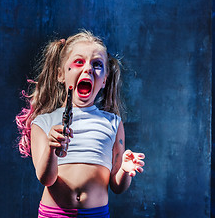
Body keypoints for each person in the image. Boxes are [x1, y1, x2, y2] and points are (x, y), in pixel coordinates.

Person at [15, 30, 145, 217]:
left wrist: (125, 170)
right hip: (54, 214)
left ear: (104, 81)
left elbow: (117, 187)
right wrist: (52, 148)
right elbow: (46, 179)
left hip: (96, 214)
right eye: (78, 62)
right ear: (61, 74)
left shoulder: (113, 124)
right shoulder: (43, 123)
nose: (88, 69)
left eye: (97, 64)